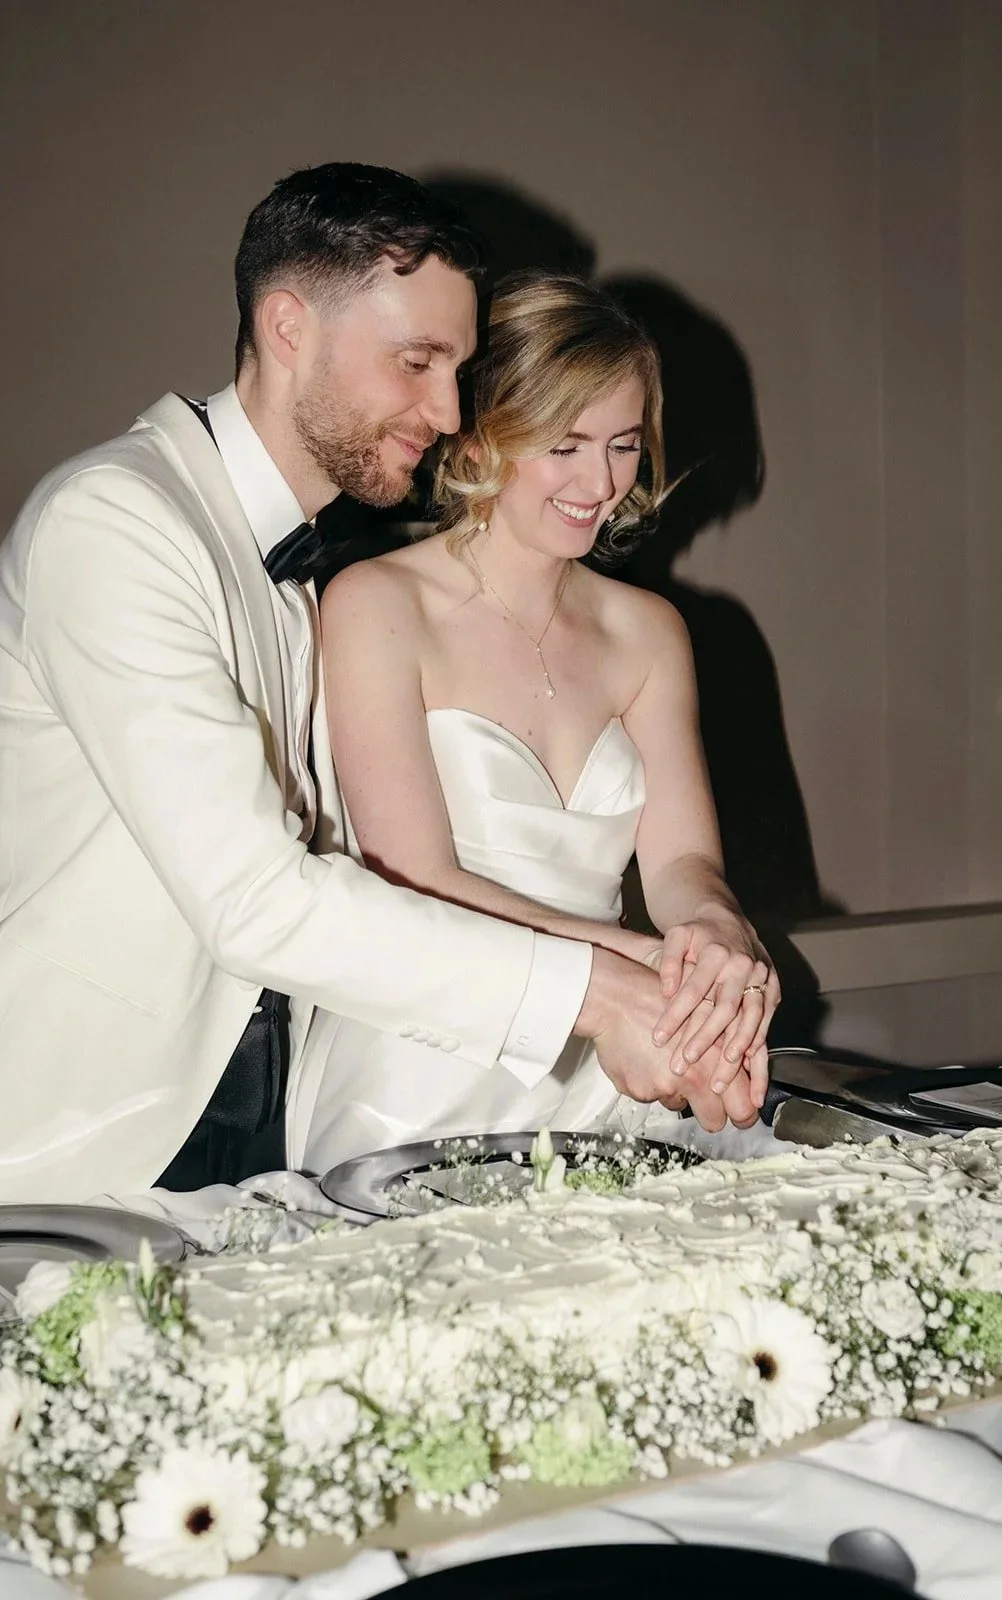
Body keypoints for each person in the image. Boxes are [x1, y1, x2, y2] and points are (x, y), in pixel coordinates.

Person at [0, 166, 764, 1205]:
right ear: (288, 326)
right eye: (417, 362)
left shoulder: (307, 574)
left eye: (459, 368)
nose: (446, 410)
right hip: (89, 1143)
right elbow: (257, 897)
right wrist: (615, 991)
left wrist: (700, 954)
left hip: (258, 1134)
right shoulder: (115, 523)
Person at [301, 272, 780, 1174]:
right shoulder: (377, 605)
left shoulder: (647, 632)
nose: (598, 483)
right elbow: (416, 877)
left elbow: (680, 861)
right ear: (483, 435)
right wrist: (650, 971)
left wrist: (714, 931)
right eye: (565, 444)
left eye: (624, 446)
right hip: (425, 1065)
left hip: (616, 1067)